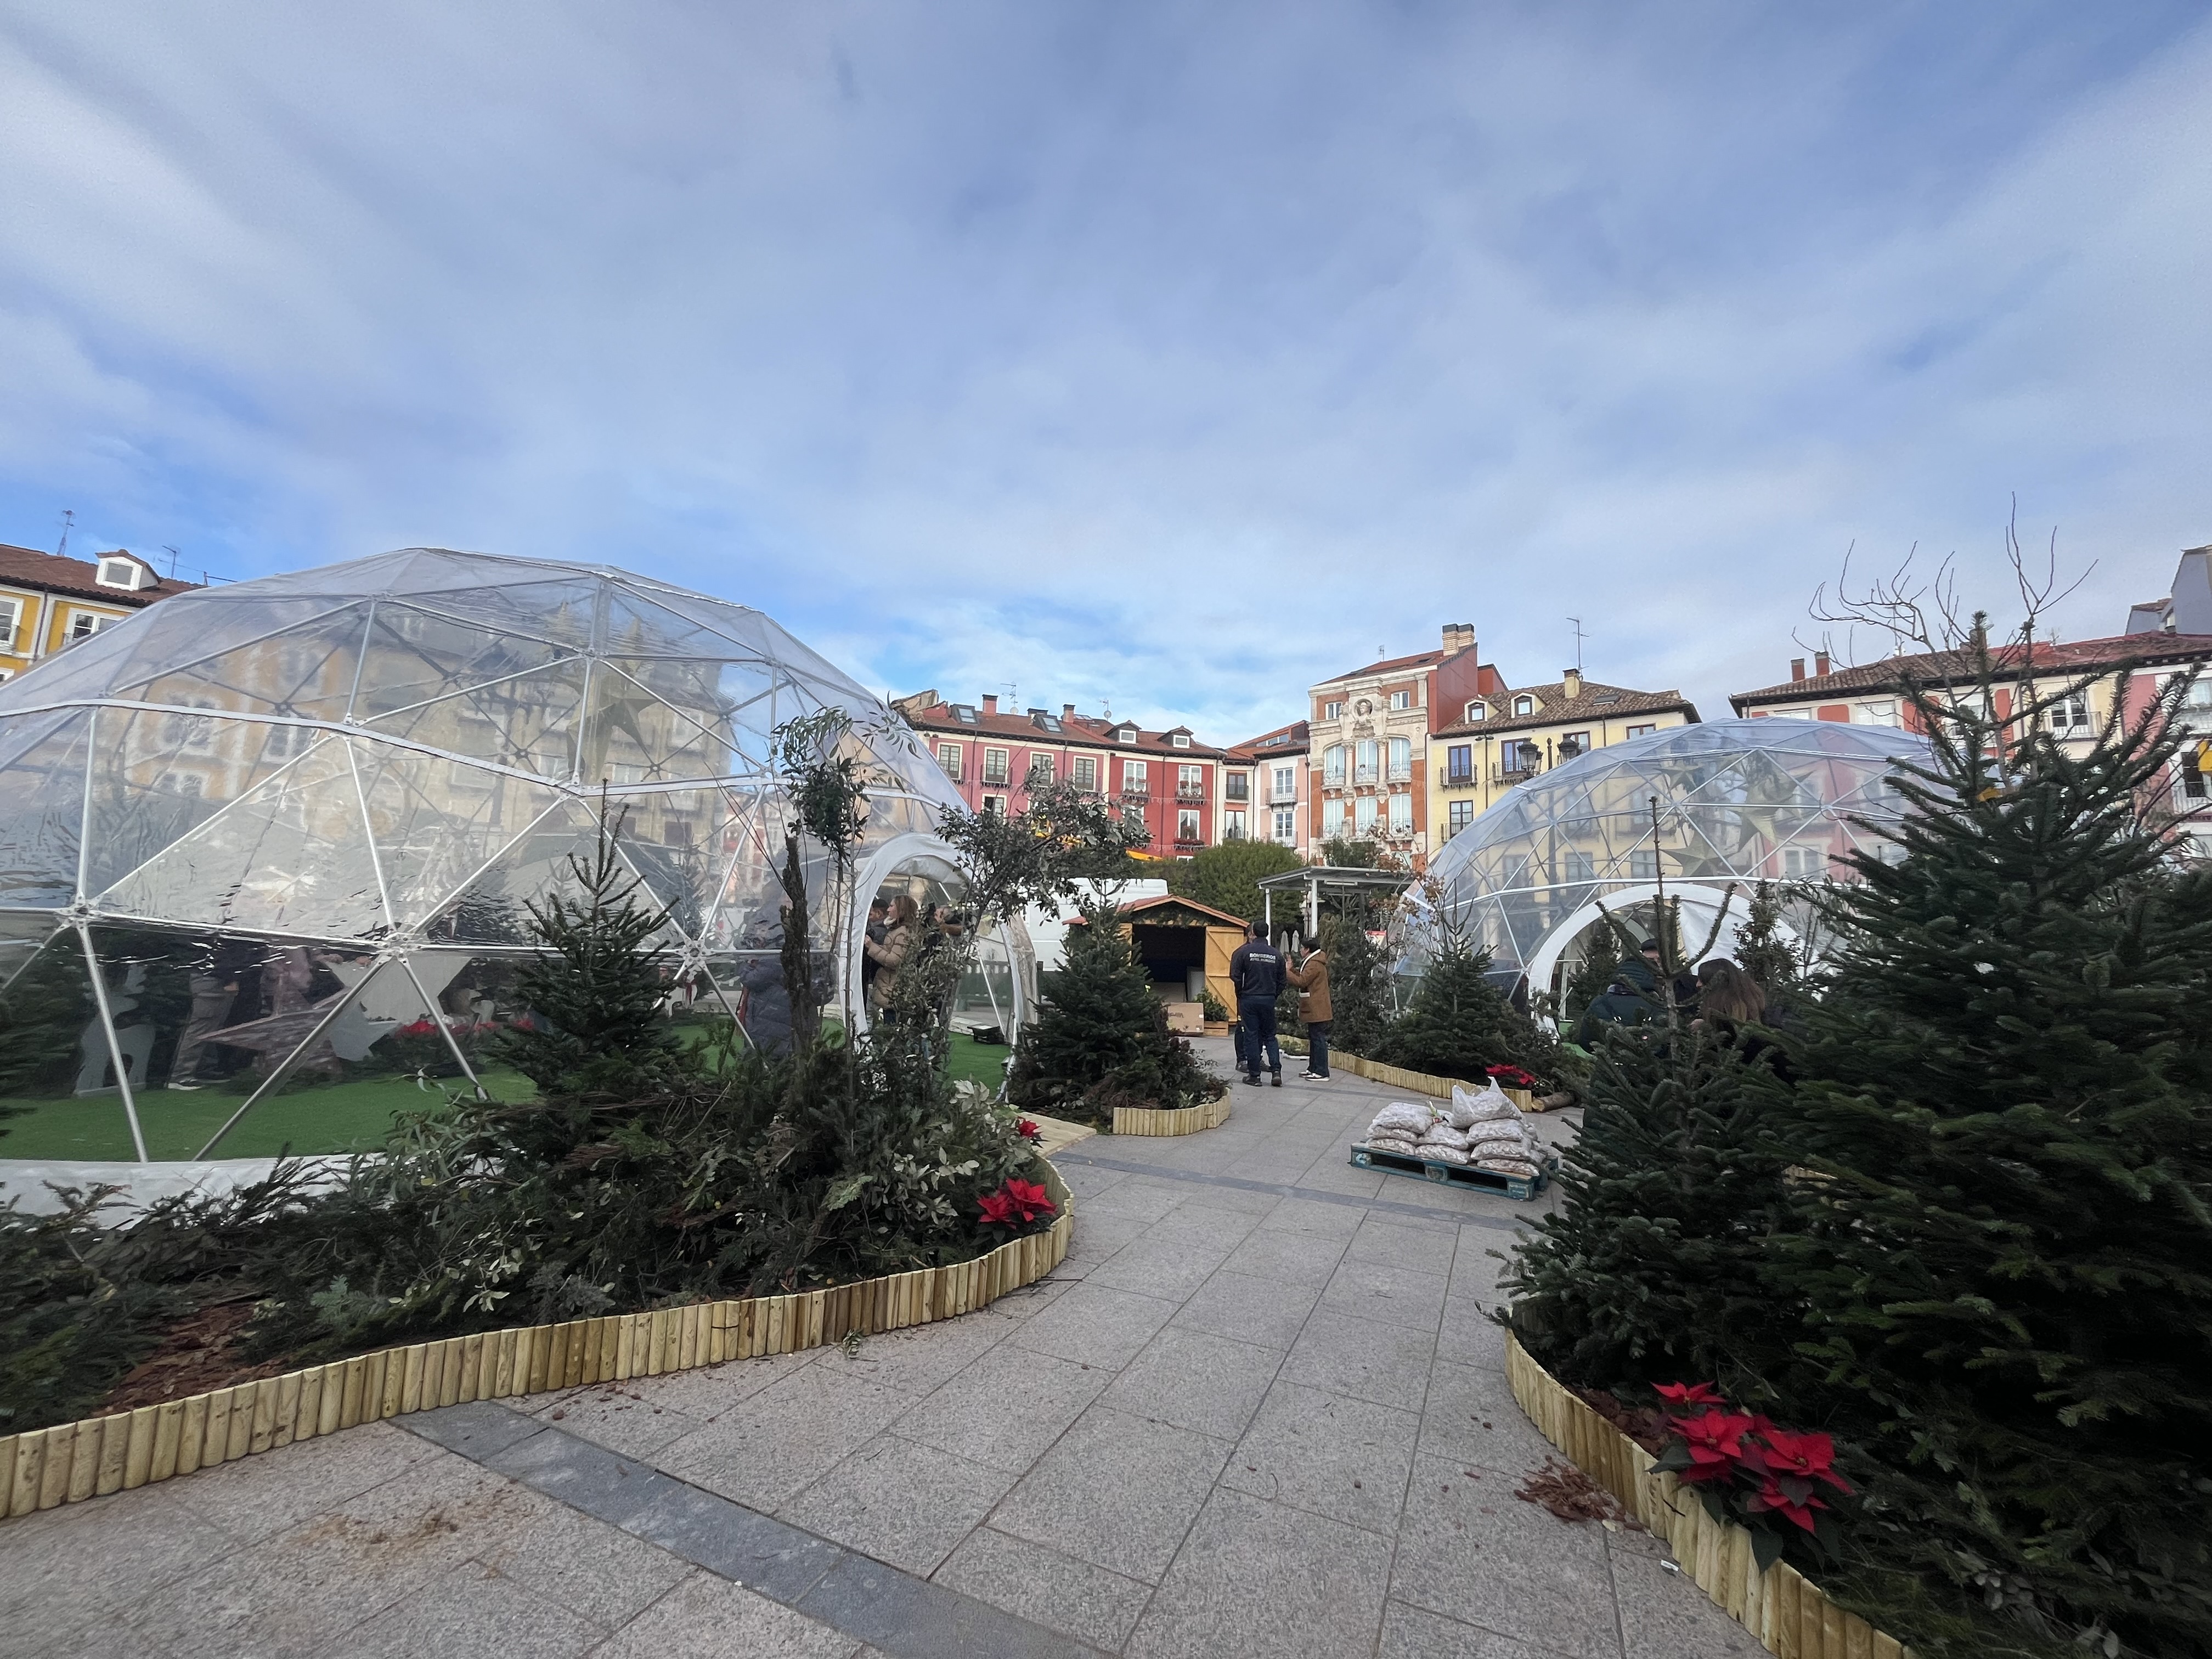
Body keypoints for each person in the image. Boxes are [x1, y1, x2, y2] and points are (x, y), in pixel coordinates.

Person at [1227, 922, 1287, 1086]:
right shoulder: (1276, 955)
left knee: (1252, 1036)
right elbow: (1283, 981)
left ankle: (1255, 1076)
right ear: (1267, 933)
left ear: (1252, 933)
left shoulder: (1243, 952)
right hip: (1268, 999)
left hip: (1249, 998)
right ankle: (1276, 1071)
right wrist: (1273, 994)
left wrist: (1241, 993)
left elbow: (1235, 975)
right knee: (1270, 1036)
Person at [865, 894, 918, 1017]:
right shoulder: (897, 930)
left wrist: (871, 946)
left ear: (901, 910)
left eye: (892, 906)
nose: (888, 909)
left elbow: (894, 960)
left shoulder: (903, 933)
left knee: (892, 1022)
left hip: (894, 987)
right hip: (890, 986)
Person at [1572, 974, 1657, 1048]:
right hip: (1654, 1062)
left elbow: (1586, 1040)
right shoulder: (1660, 1004)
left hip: (1609, 1062)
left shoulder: (1600, 1002)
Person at [1286, 943, 1331, 1081]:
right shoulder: (1314, 961)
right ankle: (1313, 1068)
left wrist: (1287, 972)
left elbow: (1302, 981)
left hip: (1317, 1007)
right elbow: (1304, 976)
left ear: (1307, 950)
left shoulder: (1314, 964)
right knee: (1314, 1038)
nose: (1300, 950)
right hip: (1316, 1007)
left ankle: (1322, 1072)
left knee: (1318, 1040)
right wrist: (1292, 969)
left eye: (1302, 948)